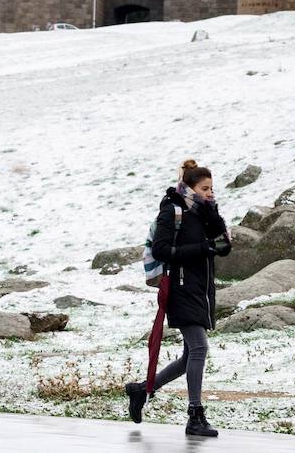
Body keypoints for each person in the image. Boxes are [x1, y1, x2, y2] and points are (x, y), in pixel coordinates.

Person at [125, 159, 231, 437]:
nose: (210, 193)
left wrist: (214, 217)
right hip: (181, 289)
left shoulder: (205, 214)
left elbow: (224, 246)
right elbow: (161, 249)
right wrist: (202, 247)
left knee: (188, 357)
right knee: (199, 348)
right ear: (190, 188)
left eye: (212, 188)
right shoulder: (172, 211)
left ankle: (141, 390)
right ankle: (195, 415)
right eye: (205, 188)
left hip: (201, 290)